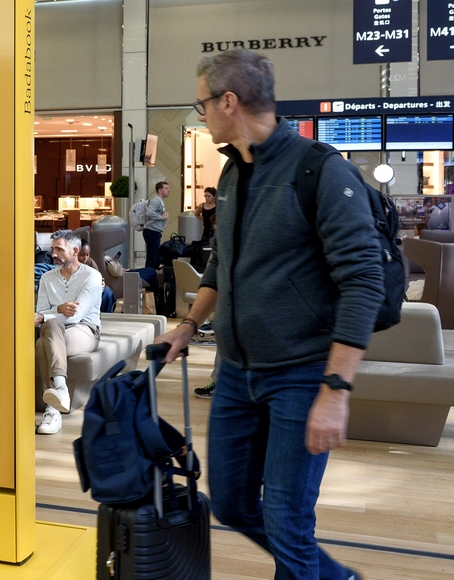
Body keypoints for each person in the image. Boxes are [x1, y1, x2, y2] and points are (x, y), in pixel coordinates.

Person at [155, 49, 381, 580]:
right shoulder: (233, 174)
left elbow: (363, 282)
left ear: (228, 101)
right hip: (236, 373)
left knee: (286, 519)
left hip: (302, 376)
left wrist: (335, 391)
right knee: (231, 503)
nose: (201, 114)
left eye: (202, 103)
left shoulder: (318, 170)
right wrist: (187, 327)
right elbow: (222, 268)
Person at [34, 229, 103, 435]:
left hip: (85, 330)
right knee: (48, 331)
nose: (53, 254)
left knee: (45, 335)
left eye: (59, 249)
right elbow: (42, 312)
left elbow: (75, 315)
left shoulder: (92, 276)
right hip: (53, 331)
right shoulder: (47, 278)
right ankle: (60, 393)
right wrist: (57, 310)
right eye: (52, 249)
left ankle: (52, 409)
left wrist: (48, 315)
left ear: (74, 250)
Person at [143, 181, 169, 268]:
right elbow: (149, 213)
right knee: (152, 257)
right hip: (152, 231)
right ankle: (149, 276)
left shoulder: (158, 200)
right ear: (160, 190)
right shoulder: (156, 200)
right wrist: (161, 217)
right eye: (166, 188)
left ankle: (151, 275)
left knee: (154, 256)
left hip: (154, 231)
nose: (168, 190)